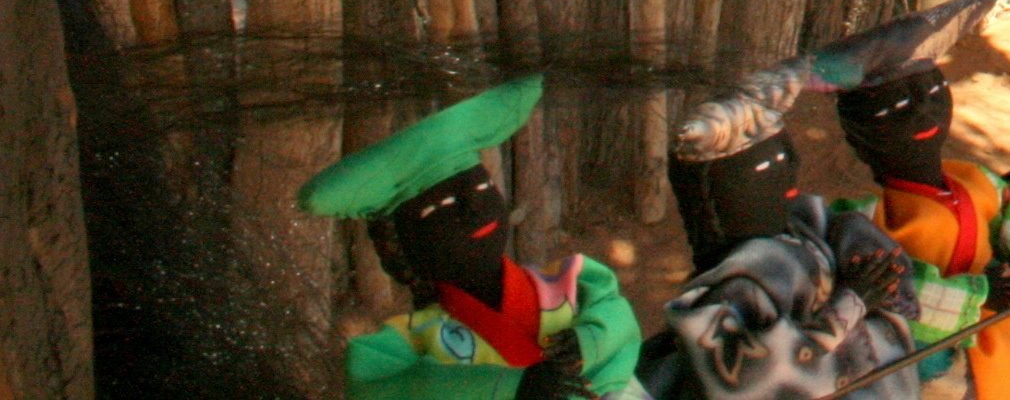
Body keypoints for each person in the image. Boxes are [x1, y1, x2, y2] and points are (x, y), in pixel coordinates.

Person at [297, 77, 643, 398]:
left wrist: (590, 341)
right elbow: (386, 388)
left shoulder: (575, 285)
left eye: (482, 188)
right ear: (407, 246)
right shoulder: (408, 342)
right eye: (445, 207)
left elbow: (616, 319)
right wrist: (508, 386)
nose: (475, 208)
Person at [815, 0, 1010, 400]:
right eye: (898, 107)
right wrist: (977, 295)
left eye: (933, 92)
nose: (923, 113)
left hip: (1002, 337)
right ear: (860, 137)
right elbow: (894, 283)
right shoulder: (867, 218)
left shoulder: (972, 181)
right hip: (928, 358)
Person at [654, 60, 930, 398]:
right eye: (767, 165)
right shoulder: (737, 285)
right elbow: (752, 377)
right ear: (723, 194)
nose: (791, 169)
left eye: (786, 154)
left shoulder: (808, 226)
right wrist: (851, 303)